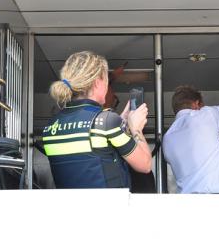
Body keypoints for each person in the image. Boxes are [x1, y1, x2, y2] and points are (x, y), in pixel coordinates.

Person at [42, 51, 151, 188]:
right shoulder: (107, 122)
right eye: (106, 80)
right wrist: (136, 129)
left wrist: (121, 122)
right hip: (105, 207)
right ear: (98, 82)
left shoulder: (51, 125)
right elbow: (145, 165)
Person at [163, 85, 219, 194]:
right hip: (216, 199)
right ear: (196, 103)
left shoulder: (167, 138)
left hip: (187, 204)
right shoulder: (205, 114)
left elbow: (196, 160)